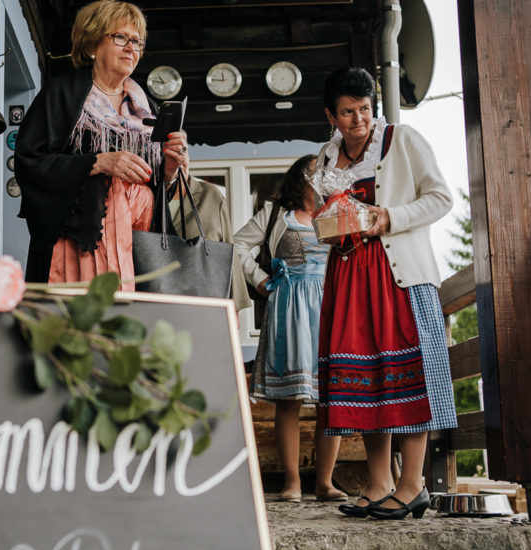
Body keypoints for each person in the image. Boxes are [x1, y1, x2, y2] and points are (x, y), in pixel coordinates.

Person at [313, 67, 457, 520]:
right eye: (348, 112)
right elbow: (329, 217)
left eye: (365, 110)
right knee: (369, 381)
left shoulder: (402, 139)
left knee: (404, 376)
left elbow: (440, 198)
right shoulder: (325, 157)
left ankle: (413, 484)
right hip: (351, 276)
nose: (359, 120)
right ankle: (380, 483)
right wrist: (332, 229)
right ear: (330, 116)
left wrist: (388, 216)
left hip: (398, 274)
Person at [14, 0, 188, 285]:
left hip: (138, 244)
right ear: (93, 44)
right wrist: (98, 163)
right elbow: (29, 162)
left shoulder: (149, 110)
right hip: (81, 241)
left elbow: (159, 191)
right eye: (121, 37)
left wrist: (169, 170)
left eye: (137, 41)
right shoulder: (62, 95)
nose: (131, 47)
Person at [234, 154, 344, 502]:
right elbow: (237, 245)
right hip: (288, 307)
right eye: (316, 168)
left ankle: (325, 482)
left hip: (328, 306)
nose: (322, 173)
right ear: (302, 177)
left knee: (331, 397)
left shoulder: (335, 215)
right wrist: (260, 278)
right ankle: (293, 483)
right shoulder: (275, 216)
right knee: (288, 400)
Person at [169, 174, 251, 313]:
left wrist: (234, 306)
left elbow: (227, 246)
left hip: (204, 297)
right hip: (159, 295)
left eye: (184, 151)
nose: (180, 156)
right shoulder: (144, 192)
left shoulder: (210, 194)